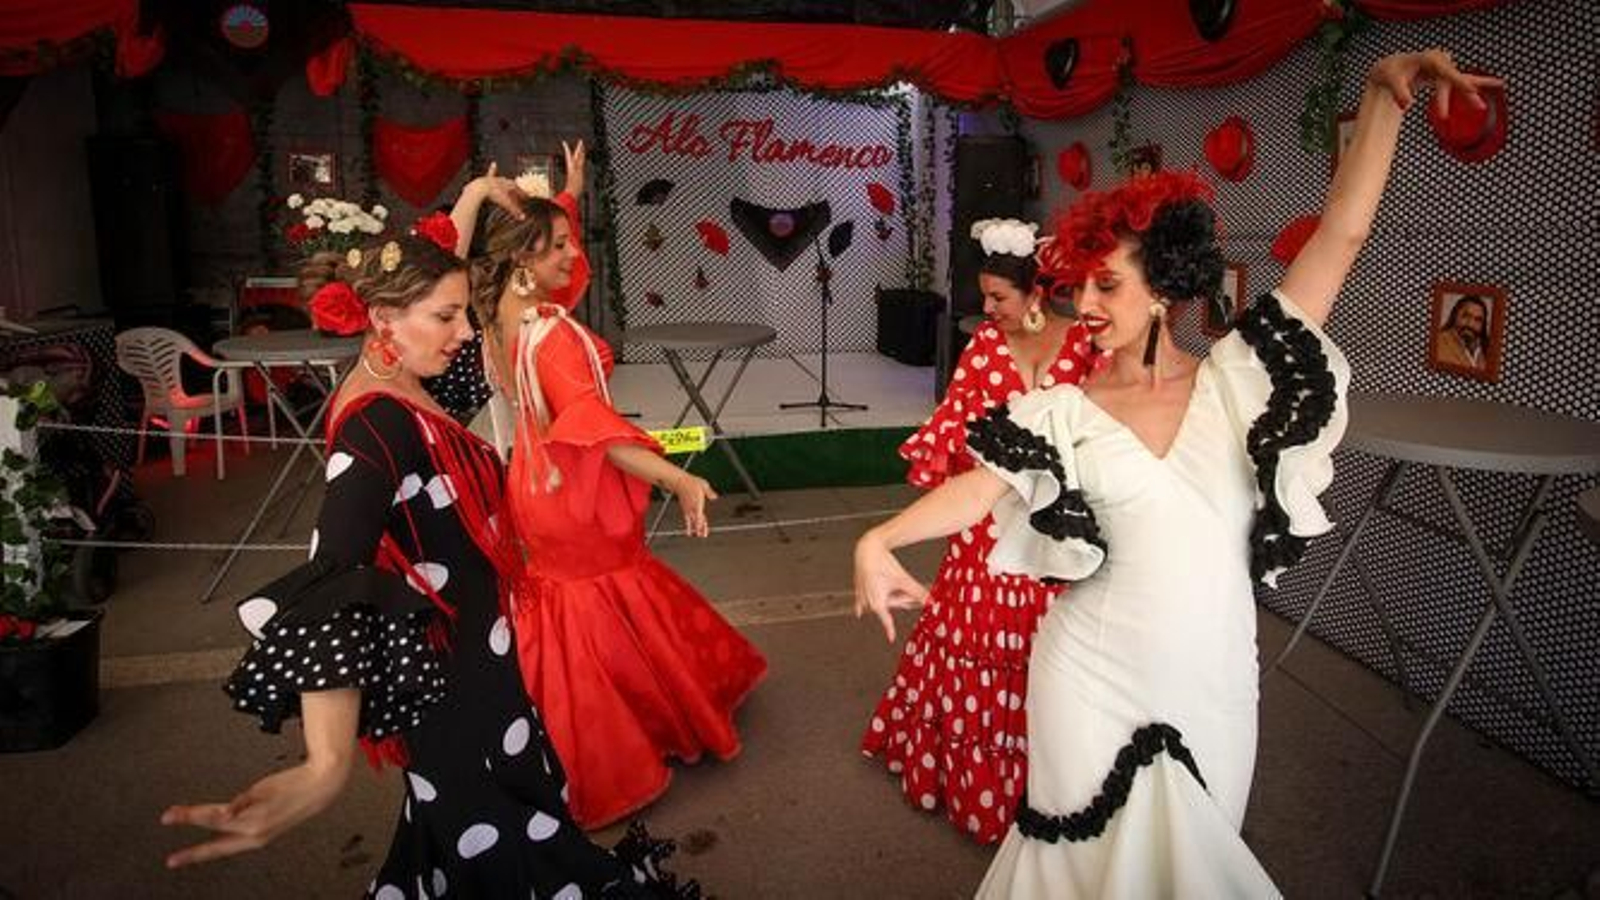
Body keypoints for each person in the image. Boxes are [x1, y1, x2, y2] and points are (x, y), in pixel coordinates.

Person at [853, 50, 1497, 897]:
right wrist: (881, 538)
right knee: (1077, 870)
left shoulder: (1238, 383)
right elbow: (981, 487)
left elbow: (1341, 236)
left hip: (1210, 683)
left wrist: (1381, 97)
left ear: (1163, 286)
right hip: (1082, 681)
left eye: (1105, 285)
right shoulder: (1063, 408)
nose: (1085, 305)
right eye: (1080, 285)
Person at [161, 223, 694, 898]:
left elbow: (474, 300)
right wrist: (325, 763)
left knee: (494, 818)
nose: (464, 332)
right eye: (446, 317)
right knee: (490, 835)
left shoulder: (415, 377)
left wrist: (476, 207)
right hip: (450, 680)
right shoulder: (376, 423)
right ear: (383, 318)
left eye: (463, 313)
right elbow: (334, 576)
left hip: (478, 657)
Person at [448, 153, 768, 830]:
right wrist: (678, 476)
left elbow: (496, 262)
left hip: (532, 481)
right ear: (524, 258)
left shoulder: (496, 311)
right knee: (607, 599)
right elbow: (596, 433)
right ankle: (610, 746)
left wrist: (562, 194)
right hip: (573, 487)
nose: (574, 254)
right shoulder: (553, 336)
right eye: (559, 245)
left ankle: (546, 734)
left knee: (573, 610)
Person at [860, 217, 1097, 844]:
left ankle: (1055, 787)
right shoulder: (985, 346)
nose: (987, 310)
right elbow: (954, 427)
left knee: (1058, 656)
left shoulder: (1086, 345)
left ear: (1037, 292)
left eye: (998, 297)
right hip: (986, 522)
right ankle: (976, 779)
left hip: (1060, 529)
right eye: (984, 297)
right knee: (972, 645)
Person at [425, 141, 594, 424]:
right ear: (521, 252)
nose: (573, 252)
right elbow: (440, 269)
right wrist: (476, 192)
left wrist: (570, 194)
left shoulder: (501, 303)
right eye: (560, 244)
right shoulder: (480, 304)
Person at [1435, 293, 1491, 370]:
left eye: (1478, 320)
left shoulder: (1485, 351)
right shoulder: (1438, 343)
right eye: (1466, 316)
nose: (1470, 324)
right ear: (1454, 316)